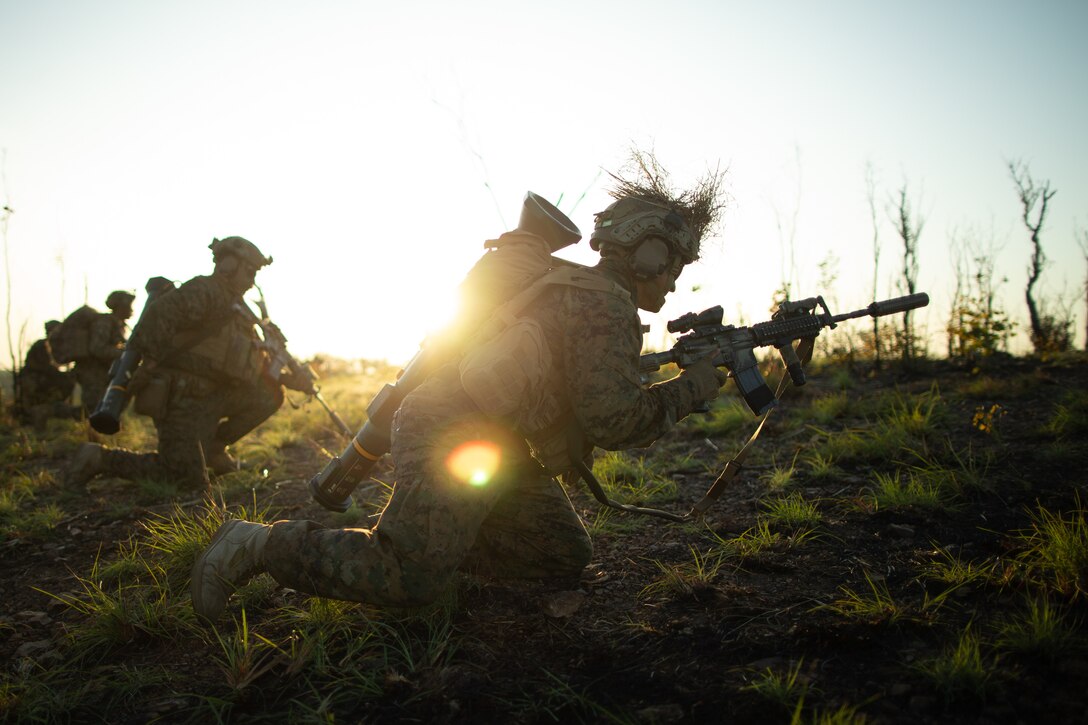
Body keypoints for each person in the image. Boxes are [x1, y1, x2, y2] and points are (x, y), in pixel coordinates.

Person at [191, 159, 728, 622]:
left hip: (500, 444)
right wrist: (696, 386)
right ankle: (256, 544)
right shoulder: (604, 304)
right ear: (647, 253)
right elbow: (617, 422)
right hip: (452, 429)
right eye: (673, 265)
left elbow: (588, 390)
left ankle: (437, 544)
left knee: (558, 553)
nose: (673, 281)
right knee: (407, 577)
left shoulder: (580, 290)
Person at [65, 236, 311, 491]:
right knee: (183, 478)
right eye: (249, 272)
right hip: (182, 396)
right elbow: (157, 317)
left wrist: (290, 379)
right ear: (228, 265)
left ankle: (214, 450)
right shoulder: (204, 291)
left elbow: (252, 363)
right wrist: (149, 366)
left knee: (268, 394)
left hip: (214, 395)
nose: (251, 281)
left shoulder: (240, 310)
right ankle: (98, 458)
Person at [71, 290, 136, 414]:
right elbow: (97, 348)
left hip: (107, 372)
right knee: (92, 409)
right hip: (93, 372)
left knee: (107, 407)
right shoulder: (104, 322)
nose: (131, 309)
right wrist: (123, 354)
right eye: (128, 306)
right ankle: (53, 411)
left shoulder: (120, 325)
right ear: (120, 307)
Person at [14, 320, 78, 429]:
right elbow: (47, 367)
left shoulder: (50, 345)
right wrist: (64, 375)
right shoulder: (42, 345)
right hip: (34, 380)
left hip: (38, 379)